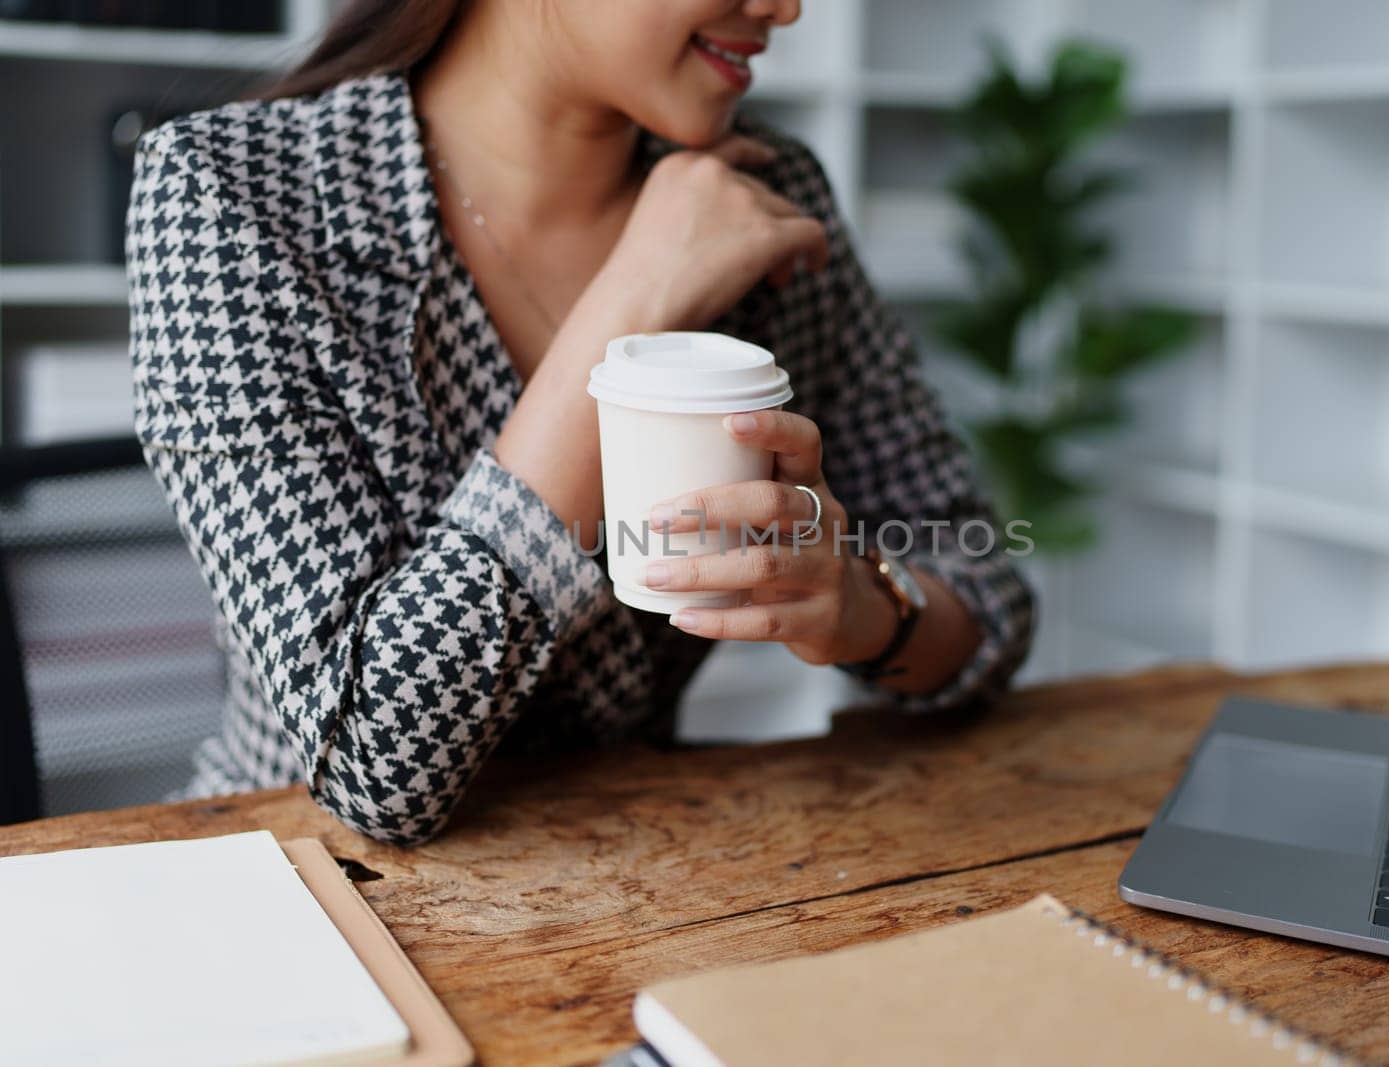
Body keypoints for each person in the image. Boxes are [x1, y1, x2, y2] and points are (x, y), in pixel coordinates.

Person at [127, 0, 1035, 845]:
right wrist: (633, 303)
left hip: (640, 886)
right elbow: (376, 768)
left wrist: (864, 609)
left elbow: (986, 594)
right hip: (313, 900)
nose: (786, 7)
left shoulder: (762, 194)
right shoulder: (229, 195)